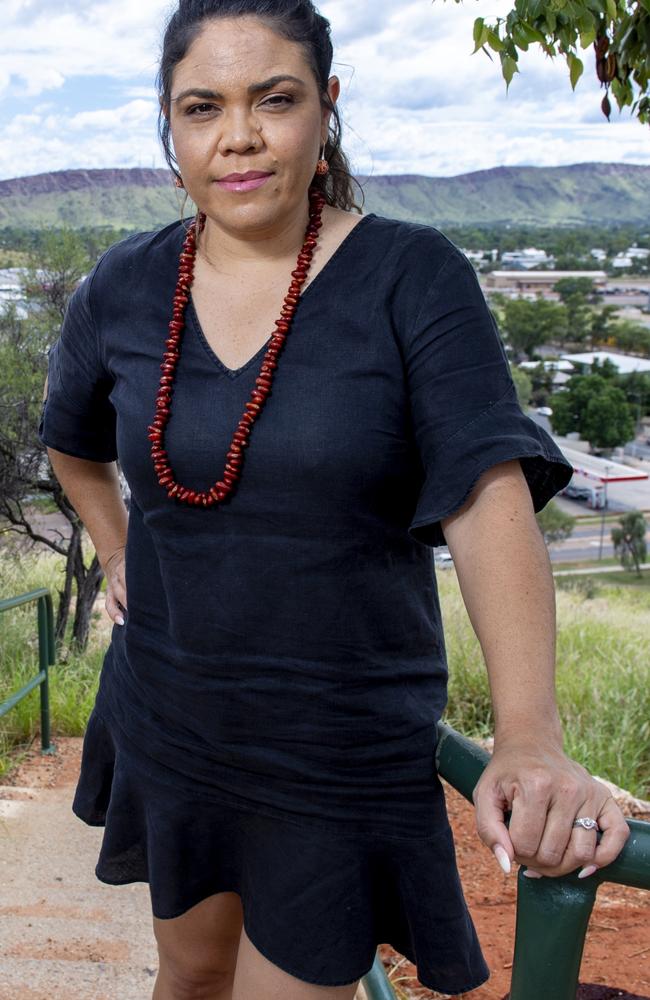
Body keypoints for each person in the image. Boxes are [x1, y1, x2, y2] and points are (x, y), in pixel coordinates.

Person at [38, 2, 630, 998]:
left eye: (274, 99)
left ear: (325, 110)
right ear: (169, 125)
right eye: (202, 106)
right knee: (186, 977)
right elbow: (71, 443)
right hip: (172, 707)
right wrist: (122, 548)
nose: (238, 135)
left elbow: (487, 494)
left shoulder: (412, 277)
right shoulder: (124, 285)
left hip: (335, 738)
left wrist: (528, 735)